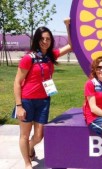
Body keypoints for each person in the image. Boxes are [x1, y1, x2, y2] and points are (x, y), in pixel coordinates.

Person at [13, 18, 72, 169]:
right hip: (27, 101)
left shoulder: (50, 56)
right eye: (42, 39)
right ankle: (27, 163)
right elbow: (17, 82)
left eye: (48, 39)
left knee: (39, 135)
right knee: (24, 135)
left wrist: (67, 26)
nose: (45, 41)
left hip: (44, 101)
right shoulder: (28, 58)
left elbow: (71, 46)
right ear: (37, 40)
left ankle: (30, 148)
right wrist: (19, 106)